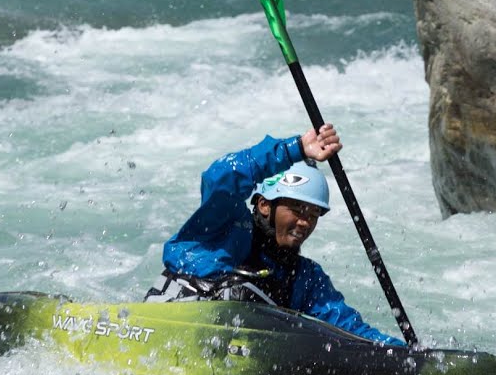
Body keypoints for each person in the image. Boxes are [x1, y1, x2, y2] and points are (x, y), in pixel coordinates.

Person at [146, 124, 405, 347]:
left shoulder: (305, 277)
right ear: (264, 205)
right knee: (239, 292)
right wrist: (296, 148)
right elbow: (221, 177)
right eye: (297, 209)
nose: (305, 222)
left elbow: (351, 330)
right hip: (163, 331)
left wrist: (410, 356)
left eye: (314, 214)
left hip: (226, 362)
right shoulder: (222, 229)